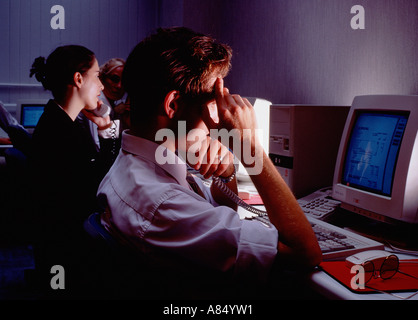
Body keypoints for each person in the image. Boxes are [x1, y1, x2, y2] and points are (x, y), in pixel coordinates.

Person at [96, 27, 322, 298]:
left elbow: (215, 210)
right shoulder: (164, 204)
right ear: (173, 105)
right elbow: (304, 253)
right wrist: (249, 146)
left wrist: (227, 173)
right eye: (213, 99)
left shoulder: (139, 166)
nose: (218, 115)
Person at [28, 45, 117, 297]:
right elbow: (98, 184)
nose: (101, 86)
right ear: (78, 79)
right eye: (97, 75)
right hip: (65, 251)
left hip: (62, 244)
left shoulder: (62, 122)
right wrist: (108, 131)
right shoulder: (59, 130)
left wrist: (103, 128)